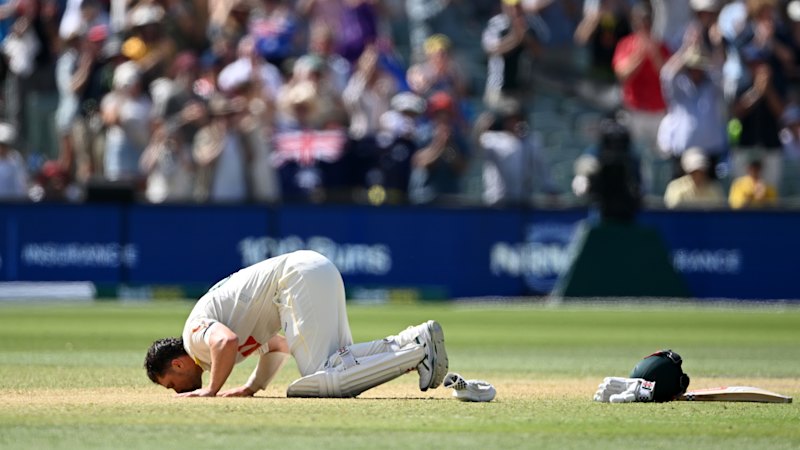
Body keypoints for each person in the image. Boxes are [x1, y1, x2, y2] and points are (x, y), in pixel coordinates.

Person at [144, 250, 449, 398]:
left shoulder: (193, 339)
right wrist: (252, 387)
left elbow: (225, 342)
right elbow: (278, 345)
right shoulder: (210, 348)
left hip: (296, 277)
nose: (176, 391)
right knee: (340, 362)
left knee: (319, 380)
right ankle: (414, 340)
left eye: (171, 384)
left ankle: (417, 354)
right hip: (316, 268)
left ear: (178, 364)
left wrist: (212, 390)